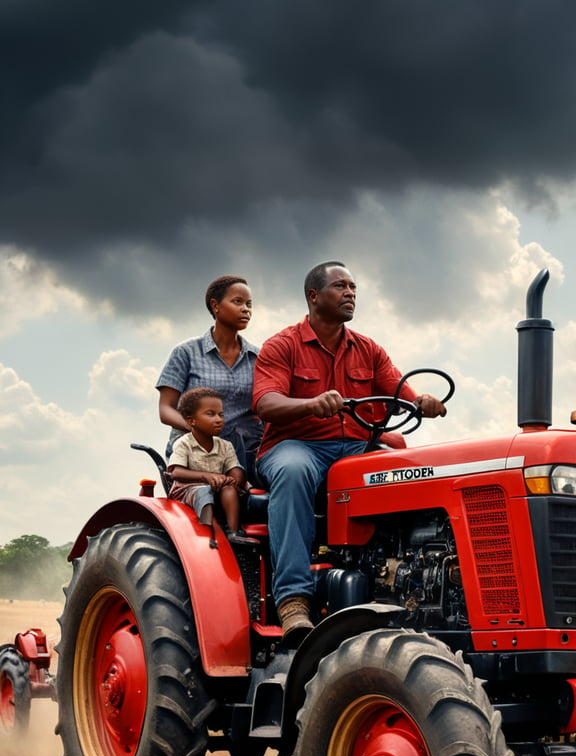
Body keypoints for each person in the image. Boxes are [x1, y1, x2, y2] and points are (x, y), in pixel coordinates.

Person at [252, 260, 447, 638]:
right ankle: (293, 600)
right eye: (340, 286)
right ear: (313, 296)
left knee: (405, 465)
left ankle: (402, 583)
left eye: (353, 287)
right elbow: (265, 403)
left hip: (354, 448)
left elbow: (399, 394)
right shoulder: (283, 346)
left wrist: (422, 401)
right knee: (293, 473)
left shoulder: (368, 349)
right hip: (297, 445)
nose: (350, 293)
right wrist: (310, 404)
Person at [156, 275, 262, 485]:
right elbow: (165, 410)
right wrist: (200, 431)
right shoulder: (186, 353)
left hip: (247, 452)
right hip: (197, 452)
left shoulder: (258, 358)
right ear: (215, 306)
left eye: (249, 304)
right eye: (237, 302)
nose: (246, 309)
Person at [167, 387, 247, 547]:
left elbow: (235, 468)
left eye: (221, 414)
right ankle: (208, 534)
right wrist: (206, 476)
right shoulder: (184, 443)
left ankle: (233, 532)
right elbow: (176, 472)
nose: (219, 419)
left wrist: (234, 478)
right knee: (204, 492)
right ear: (191, 421)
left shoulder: (225, 446)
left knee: (230, 490)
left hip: (218, 487)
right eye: (210, 414)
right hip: (188, 490)